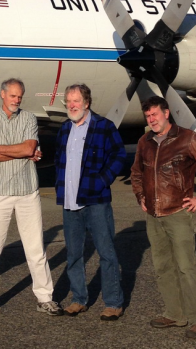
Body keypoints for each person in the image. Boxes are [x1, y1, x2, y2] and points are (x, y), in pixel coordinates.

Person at [0, 78, 63, 319]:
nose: (17, 100)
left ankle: (45, 298)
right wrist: (19, 152)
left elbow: (29, 149)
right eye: (13, 96)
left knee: (35, 249)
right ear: (2, 95)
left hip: (27, 192)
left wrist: (1, 149)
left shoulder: (29, 118)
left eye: (20, 96)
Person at [130, 96, 196, 339]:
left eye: (155, 115)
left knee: (187, 268)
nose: (152, 120)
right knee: (162, 267)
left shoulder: (187, 138)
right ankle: (175, 314)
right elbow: (136, 172)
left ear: (166, 113)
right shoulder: (145, 141)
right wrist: (140, 195)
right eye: (148, 116)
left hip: (178, 214)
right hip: (153, 215)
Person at [53, 83, 127, 321]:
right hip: (70, 202)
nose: (72, 105)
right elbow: (59, 159)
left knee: (106, 253)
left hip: (95, 200)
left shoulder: (104, 127)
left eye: (76, 101)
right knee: (74, 254)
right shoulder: (65, 129)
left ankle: (113, 302)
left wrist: (103, 180)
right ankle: (78, 299)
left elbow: (119, 155)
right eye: (69, 101)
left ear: (87, 102)